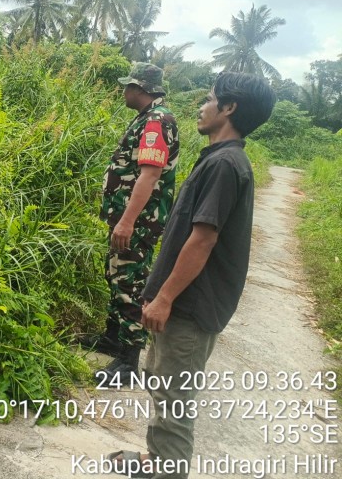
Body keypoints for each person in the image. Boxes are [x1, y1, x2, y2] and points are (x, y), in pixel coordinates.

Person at [109, 71, 276, 478]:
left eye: (209, 98)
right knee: (162, 383)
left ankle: (167, 470)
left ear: (229, 108)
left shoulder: (225, 165)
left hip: (189, 305)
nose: (202, 106)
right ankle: (157, 460)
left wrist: (165, 297)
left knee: (173, 403)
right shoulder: (219, 159)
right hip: (185, 301)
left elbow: (202, 241)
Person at [86, 62, 179, 385]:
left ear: (140, 89)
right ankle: (113, 338)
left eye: (128, 86)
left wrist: (127, 222)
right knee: (115, 275)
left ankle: (128, 363)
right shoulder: (148, 118)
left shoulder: (156, 121)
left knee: (129, 282)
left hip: (138, 222)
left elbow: (150, 175)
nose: (124, 91)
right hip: (127, 219)